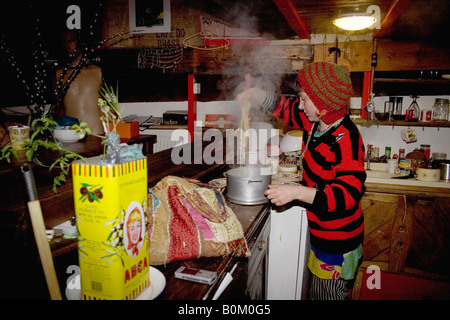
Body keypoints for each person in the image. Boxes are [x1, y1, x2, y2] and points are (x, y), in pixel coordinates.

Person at [237, 62, 366, 300]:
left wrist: (296, 192)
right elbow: (284, 106)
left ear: (324, 103)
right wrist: (255, 94)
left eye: (304, 98)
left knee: (328, 296)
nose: (300, 103)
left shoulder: (345, 138)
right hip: (323, 234)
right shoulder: (316, 121)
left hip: (339, 242)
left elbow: (346, 195)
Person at [54, 30, 104, 135]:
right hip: (70, 136)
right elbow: (56, 109)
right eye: (64, 42)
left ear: (80, 42)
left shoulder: (98, 72)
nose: (67, 46)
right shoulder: (59, 74)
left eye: (70, 41)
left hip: (96, 135)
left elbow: (111, 105)